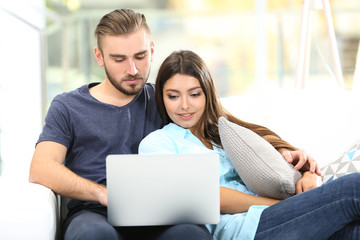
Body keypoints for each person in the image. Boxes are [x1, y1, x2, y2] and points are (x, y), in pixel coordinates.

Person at [29, 9, 213, 240]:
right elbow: (41, 168)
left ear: (152, 51)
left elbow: (219, 128)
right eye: (119, 59)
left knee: (191, 234)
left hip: (161, 214)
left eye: (140, 56)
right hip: (93, 214)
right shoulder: (67, 106)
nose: (132, 70)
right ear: (99, 56)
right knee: (94, 236)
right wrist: (101, 193)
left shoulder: (167, 99)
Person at [138, 50, 360, 240]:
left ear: (207, 94)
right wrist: (282, 205)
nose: (184, 106)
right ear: (162, 98)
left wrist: (308, 175)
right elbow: (206, 196)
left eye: (194, 94)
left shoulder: (228, 133)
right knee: (353, 187)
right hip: (246, 229)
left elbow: (282, 167)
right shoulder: (157, 144)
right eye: (173, 96)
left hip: (285, 218)